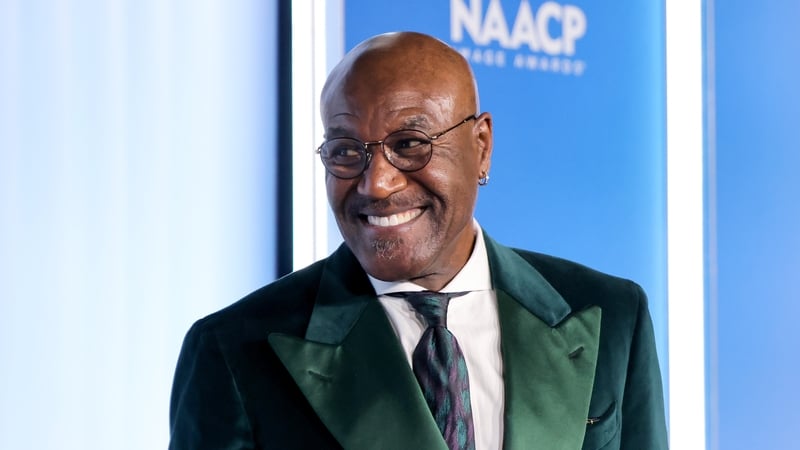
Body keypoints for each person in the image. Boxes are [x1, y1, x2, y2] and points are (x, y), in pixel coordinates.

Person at [169, 31, 668, 450]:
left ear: (482, 147)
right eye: (346, 151)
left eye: (409, 145)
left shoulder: (612, 314)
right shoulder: (234, 350)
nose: (376, 183)